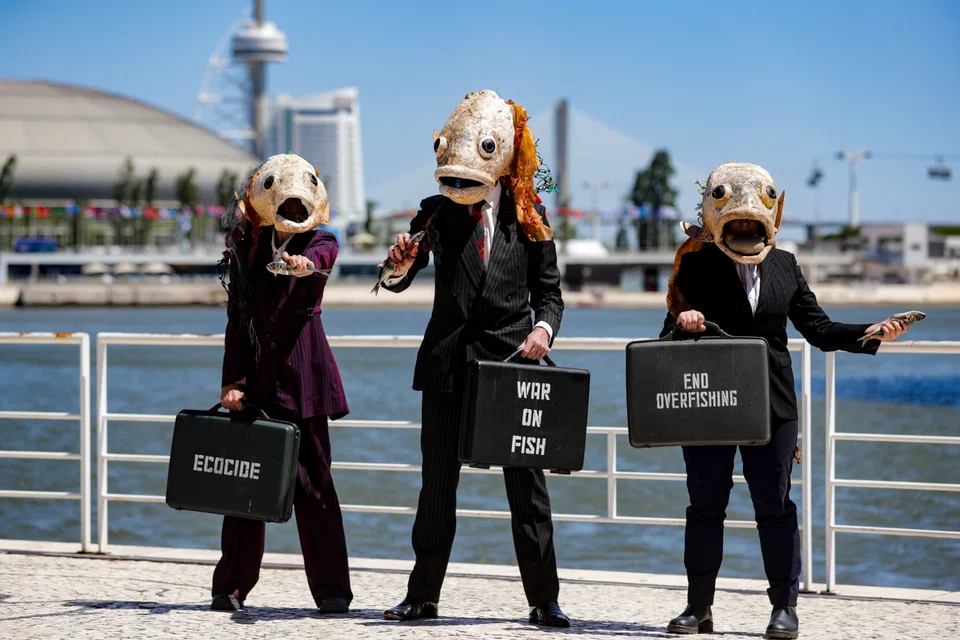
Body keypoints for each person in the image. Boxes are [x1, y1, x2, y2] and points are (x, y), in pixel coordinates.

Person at [661, 162, 909, 639]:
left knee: (774, 505)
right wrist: (684, 324)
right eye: (737, 224)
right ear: (719, 222)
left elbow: (818, 329)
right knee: (705, 504)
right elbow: (666, 338)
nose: (746, 230)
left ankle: (784, 608)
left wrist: (873, 331)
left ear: (768, 222)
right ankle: (698, 606)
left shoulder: (786, 265)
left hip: (773, 405)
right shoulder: (694, 263)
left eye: (753, 224)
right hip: (709, 402)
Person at [378, 90, 570, 628]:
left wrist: (542, 330)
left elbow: (551, 296)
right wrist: (397, 266)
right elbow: (397, 277)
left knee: (528, 490)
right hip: (446, 367)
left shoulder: (530, 215)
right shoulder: (437, 210)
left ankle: (544, 600)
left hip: (511, 368)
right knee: (437, 486)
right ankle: (422, 596)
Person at [213, 154, 352, 614]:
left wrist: (305, 266)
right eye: (284, 205)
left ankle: (332, 590)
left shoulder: (321, 240)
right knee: (244, 486)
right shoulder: (247, 245)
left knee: (315, 488)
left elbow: (322, 259)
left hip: (305, 379)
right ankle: (231, 586)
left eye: (298, 205)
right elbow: (238, 319)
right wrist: (232, 381)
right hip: (256, 383)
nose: (292, 212)